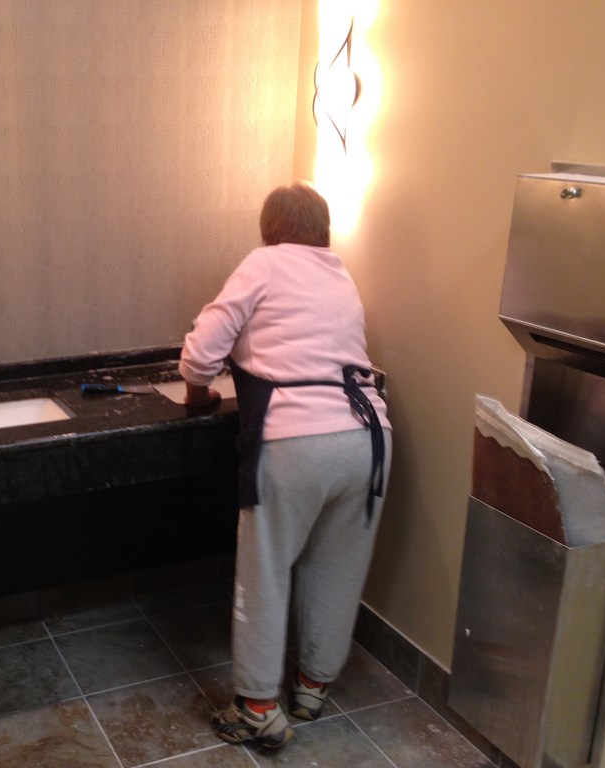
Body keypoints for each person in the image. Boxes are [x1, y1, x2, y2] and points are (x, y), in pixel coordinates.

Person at [179, 181, 392, 750]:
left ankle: (255, 707)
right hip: (368, 439)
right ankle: (313, 686)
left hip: (294, 441)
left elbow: (200, 355)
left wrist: (198, 394)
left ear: (268, 229)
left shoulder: (263, 264)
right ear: (323, 229)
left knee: (266, 572)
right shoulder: (340, 274)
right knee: (337, 568)